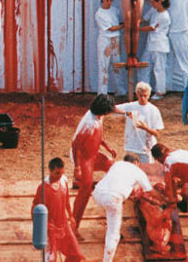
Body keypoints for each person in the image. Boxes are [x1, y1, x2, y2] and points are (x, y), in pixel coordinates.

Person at [92, 155, 157, 262]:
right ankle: (107, 260)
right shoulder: (137, 171)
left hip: (97, 194)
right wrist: (164, 200)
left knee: (111, 209)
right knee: (113, 234)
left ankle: (110, 221)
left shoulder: (117, 164)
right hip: (112, 199)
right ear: (136, 163)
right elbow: (150, 191)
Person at [71, 93, 117, 225]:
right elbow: (75, 146)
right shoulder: (89, 123)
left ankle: (107, 198)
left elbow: (96, 136)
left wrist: (107, 147)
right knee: (85, 192)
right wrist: (77, 167)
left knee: (112, 167)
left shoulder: (99, 116)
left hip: (93, 153)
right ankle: (75, 225)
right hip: (83, 158)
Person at [31, 157, 83, 262]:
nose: (59, 176)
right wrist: (39, 229)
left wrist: (71, 216)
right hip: (50, 226)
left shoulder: (63, 180)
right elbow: (35, 208)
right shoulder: (43, 188)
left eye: (61, 173)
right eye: (57, 173)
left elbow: (67, 200)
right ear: (50, 171)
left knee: (75, 253)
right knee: (51, 258)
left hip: (63, 223)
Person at [115, 82, 164, 163]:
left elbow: (157, 133)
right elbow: (114, 109)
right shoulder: (130, 106)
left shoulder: (153, 110)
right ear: (137, 94)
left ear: (149, 95)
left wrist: (145, 128)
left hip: (146, 149)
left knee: (146, 171)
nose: (143, 98)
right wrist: (126, 113)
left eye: (145, 96)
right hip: (131, 147)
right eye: (140, 95)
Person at [139, 0, 171, 98]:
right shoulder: (154, 10)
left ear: (160, 2)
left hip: (159, 45)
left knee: (159, 68)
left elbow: (150, 28)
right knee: (144, 66)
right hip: (150, 43)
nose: (151, 3)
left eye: (153, 2)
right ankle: (143, 90)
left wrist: (135, 29)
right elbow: (145, 19)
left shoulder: (164, 16)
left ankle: (160, 91)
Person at [93, 0, 123, 96]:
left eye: (111, 0)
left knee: (117, 65)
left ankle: (119, 90)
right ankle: (102, 93)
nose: (109, 2)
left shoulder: (114, 10)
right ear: (102, 0)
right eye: (107, 0)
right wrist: (123, 26)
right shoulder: (99, 13)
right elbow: (110, 28)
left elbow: (118, 21)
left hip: (115, 39)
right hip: (105, 40)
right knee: (104, 66)